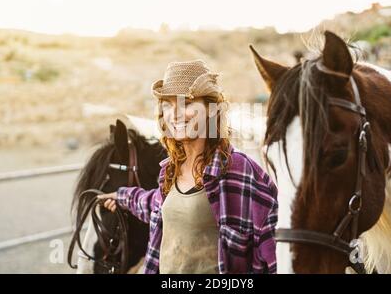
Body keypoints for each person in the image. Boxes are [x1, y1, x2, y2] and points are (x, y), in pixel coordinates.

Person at [98, 60, 278, 274]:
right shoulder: (170, 170)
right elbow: (154, 205)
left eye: (187, 103)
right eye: (167, 105)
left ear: (211, 110)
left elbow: (276, 251)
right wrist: (120, 197)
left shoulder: (239, 170)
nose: (175, 114)